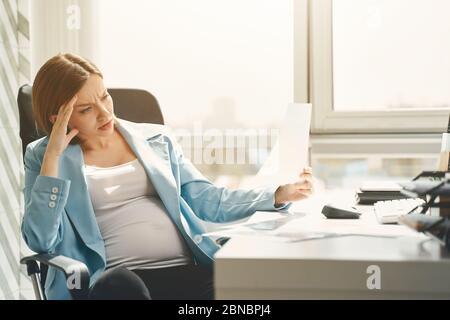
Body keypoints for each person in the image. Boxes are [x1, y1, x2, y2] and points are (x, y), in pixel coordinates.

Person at [21, 53, 314, 300]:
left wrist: (276, 195)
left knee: (249, 286)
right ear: (57, 118)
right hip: (115, 282)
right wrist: (53, 158)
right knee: (121, 286)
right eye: (86, 109)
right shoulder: (43, 157)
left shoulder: (156, 139)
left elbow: (207, 199)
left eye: (104, 97)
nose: (104, 113)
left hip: (185, 271)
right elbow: (40, 240)